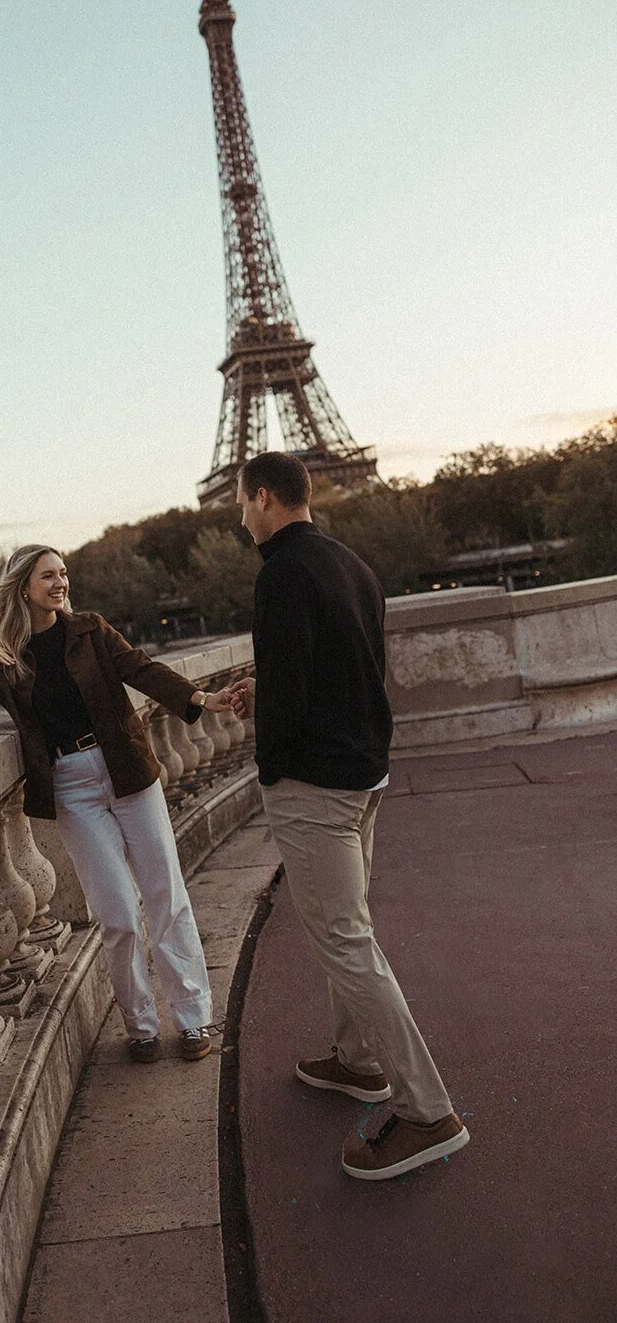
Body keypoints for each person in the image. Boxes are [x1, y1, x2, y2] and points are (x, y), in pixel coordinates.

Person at [230, 452, 469, 1180]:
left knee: (344, 940)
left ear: (263, 497)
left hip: (315, 786)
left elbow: (292, 693)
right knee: (347, 928)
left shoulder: (281, 574)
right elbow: (348, 668)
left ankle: (426, 1110)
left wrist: (271, 765)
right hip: (365, 772)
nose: (239, 516)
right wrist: (269, 688)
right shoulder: (350, 565)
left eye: (241, 502)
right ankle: (358, 1059)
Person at [0, 544, 236, 1064]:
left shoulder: (89, 630)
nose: (60, 583)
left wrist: (201, 699)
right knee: (117, 914)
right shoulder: (1, 656)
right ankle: (141, 1026)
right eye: (48, 576)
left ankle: (193, 1019)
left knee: (166, 896)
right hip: (71, 786)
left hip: (128, 770)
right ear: (22, 588)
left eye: (63, 573)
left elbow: (141, 669)